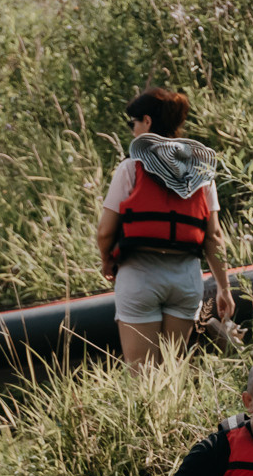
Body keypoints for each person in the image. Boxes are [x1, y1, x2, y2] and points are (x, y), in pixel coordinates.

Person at [95, 87, 236, 370]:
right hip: (185, 279)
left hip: (140, 275)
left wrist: (106, 259)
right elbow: (214, 237)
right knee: (170, 373)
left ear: (146, 121)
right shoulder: (201, 171)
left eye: (132, 122)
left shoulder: (131, 167)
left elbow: (105, 232)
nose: (131, 129)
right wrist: (224, 288)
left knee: (142, 376)